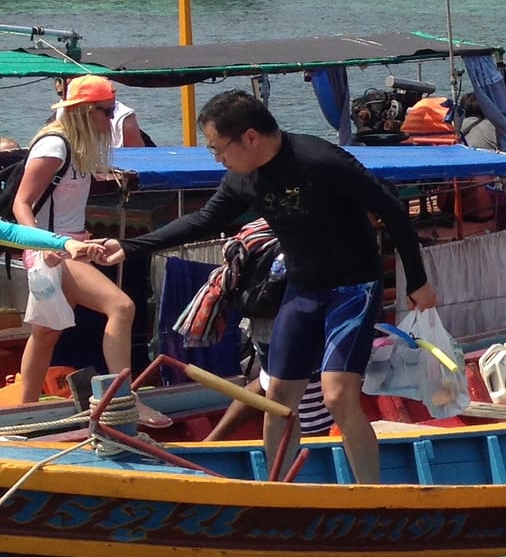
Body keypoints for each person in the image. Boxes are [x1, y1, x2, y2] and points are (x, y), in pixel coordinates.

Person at [105, 91, 438, 485]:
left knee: (337, 396)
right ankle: (276, 489)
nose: (217, 159)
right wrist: (128, 247)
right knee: (276, 399)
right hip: (303, 288)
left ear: (249, 137)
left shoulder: (320, 160)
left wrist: (416, 281)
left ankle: (372, 492)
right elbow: (205, 220)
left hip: (352, 288)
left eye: (218, 149)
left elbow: (392, 209)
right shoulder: (243, 177)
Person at [11, 77, 153, 418]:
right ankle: (124, 399)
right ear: (87, 112)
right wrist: (42, 246)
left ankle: (24, 411)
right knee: (121, 307)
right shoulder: (54, 146)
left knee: (46, 335)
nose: (110, 120)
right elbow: (21, 203)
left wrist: (87, 241)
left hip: (67, 247)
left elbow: (66, 210)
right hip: (51, 252)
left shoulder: (76, 147)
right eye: (106, 113)